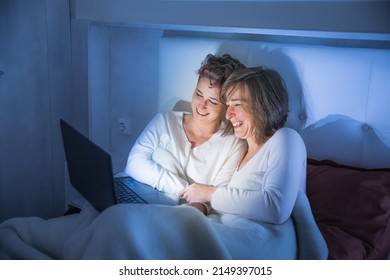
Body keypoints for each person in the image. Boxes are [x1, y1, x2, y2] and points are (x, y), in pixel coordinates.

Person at [179, 66, 307, 224]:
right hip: (225, 231)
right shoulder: (239, 152)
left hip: (261, 239)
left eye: (237, 105)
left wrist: (210, 193)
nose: (228, 114)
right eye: (228, 105)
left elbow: (275, 208)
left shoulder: (287, 138)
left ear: (262, 106)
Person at [124, 54, 247, 210]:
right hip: (138, 202)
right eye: (198, 94)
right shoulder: (165, 120)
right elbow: (134, 163)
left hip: (179, 215)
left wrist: (191, 212)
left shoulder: (233, 144)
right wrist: (183, 189)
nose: (201, 105)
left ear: (227, 106)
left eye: (213, 101)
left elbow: (216, 196)